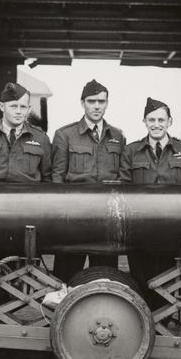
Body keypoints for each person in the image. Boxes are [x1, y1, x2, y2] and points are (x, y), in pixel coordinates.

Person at [0, 82, 51, 312]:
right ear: (1, 106)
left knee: (21, 275)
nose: (18, 111)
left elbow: (48, 180)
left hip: (27, 218)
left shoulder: (41, 139)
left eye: (23, 107)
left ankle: (10, 325)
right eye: (13, 105)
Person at [120, 97, 181, 308]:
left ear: (170, 121)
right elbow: (124, 189)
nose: (156, 124)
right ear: (144, 122)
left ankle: (164, 323)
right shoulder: (131, 151)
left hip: (174, 229)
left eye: (161, 120)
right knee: (142, 279)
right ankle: (145, 322)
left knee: (169, 279)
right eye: (151, 119)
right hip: (139, 230)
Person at [51, 79, 126, 282]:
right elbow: (57, 179)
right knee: (66, 276)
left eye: (101, 101)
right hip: (73, 216)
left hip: (106, 219)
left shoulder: (118, 136)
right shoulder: (64, 135)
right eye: (91, 101)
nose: (96, 106)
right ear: (82, 103)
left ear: (107, 103)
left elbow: (122, 178)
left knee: (105, 276)